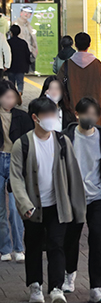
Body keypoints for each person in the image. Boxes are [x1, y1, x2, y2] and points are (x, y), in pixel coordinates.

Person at [10, 97, 86, 303]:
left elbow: (73, 174)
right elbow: (16, 177)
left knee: (56, 245)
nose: (52, 119)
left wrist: (78, 208)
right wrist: (24, 204)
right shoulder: (22, 144)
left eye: (54, 114)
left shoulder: (62, 141)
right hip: (33, 207)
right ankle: (35, 285)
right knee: (33, 245)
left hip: (58, 205)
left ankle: (56, 289)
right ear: (35, 118)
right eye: (47, 115)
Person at [62, 97, 101, 303]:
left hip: (97, 197)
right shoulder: (67, 137)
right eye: (85, 113)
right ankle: (69, 274)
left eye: (94, 114)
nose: (90, 117)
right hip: (74, 197)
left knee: (97, 239)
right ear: (77, 115)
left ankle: (96, 287)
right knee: (71, 238)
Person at [0, 80, 33, 262]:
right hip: (0, 159)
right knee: (0, 210)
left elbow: (29, 141)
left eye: (13, 96)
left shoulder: (22, 116)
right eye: (6, 97)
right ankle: (5, 248)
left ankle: (19, 247)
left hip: (15, 162)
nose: (10, 100)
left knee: (15, 207)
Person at [57, 32, 101, 111]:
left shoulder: (68, 64)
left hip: (73, 108)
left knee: (75, 123)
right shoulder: (97, 64)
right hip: (94, 109)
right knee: (93, 123)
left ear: (75, 45)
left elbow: (58, 82)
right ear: (89, 45)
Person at [6, 25, 30, 93]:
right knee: (20, 82)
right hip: (21, 66)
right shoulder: (23, 43)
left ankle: (12, 94)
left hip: (11, 66)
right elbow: (27, 54)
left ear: (11, 32)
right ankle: (19, 92)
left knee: (11, 82)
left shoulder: (8, 42)